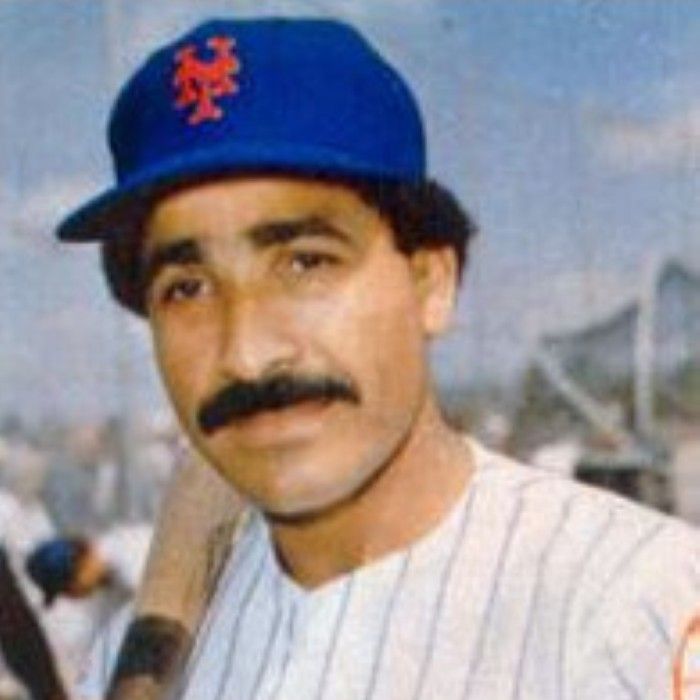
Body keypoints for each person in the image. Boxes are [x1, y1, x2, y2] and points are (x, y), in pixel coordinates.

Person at [56, 17, 698, 700]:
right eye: (187, 288)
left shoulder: (639, 604)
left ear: (431, 283)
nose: (247, 354)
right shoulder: (130, 661)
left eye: (306, 263)